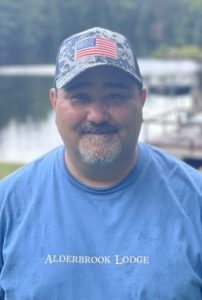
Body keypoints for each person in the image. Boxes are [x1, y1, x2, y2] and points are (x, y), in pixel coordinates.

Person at [0, 27, 202, 300]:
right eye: (80, 96)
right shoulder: (9, 205)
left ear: (141, 100)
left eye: (115, 96)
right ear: (54, 102)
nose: (96, 115)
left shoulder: (194, 201)